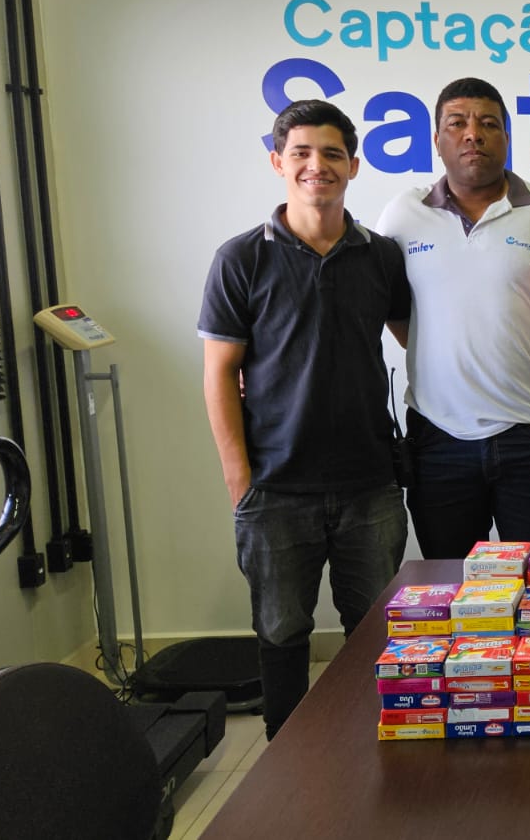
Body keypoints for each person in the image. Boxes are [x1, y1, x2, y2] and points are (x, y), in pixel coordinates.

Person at [199, 99, 410, 739]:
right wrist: (240, 480)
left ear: (354, 165)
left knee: (375, 629)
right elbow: (219, 374)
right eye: (301, 153)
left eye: (332, 153)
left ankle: (372, 751)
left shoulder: (382, 257)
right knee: (282, 631)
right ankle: (284, 760)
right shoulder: (241, 259)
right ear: (277, 162)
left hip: (370, 484)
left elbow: (419, 344)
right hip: (275, 487)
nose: (317, 165)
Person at [376, 77, 530, 557]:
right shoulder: (403, 215)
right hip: (437, 440)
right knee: (451, 586)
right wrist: (437, 344)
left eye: (488, 124)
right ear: (437, 140)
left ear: (507, 138)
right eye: (457, 123)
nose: (473, 134)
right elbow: (389, 307)